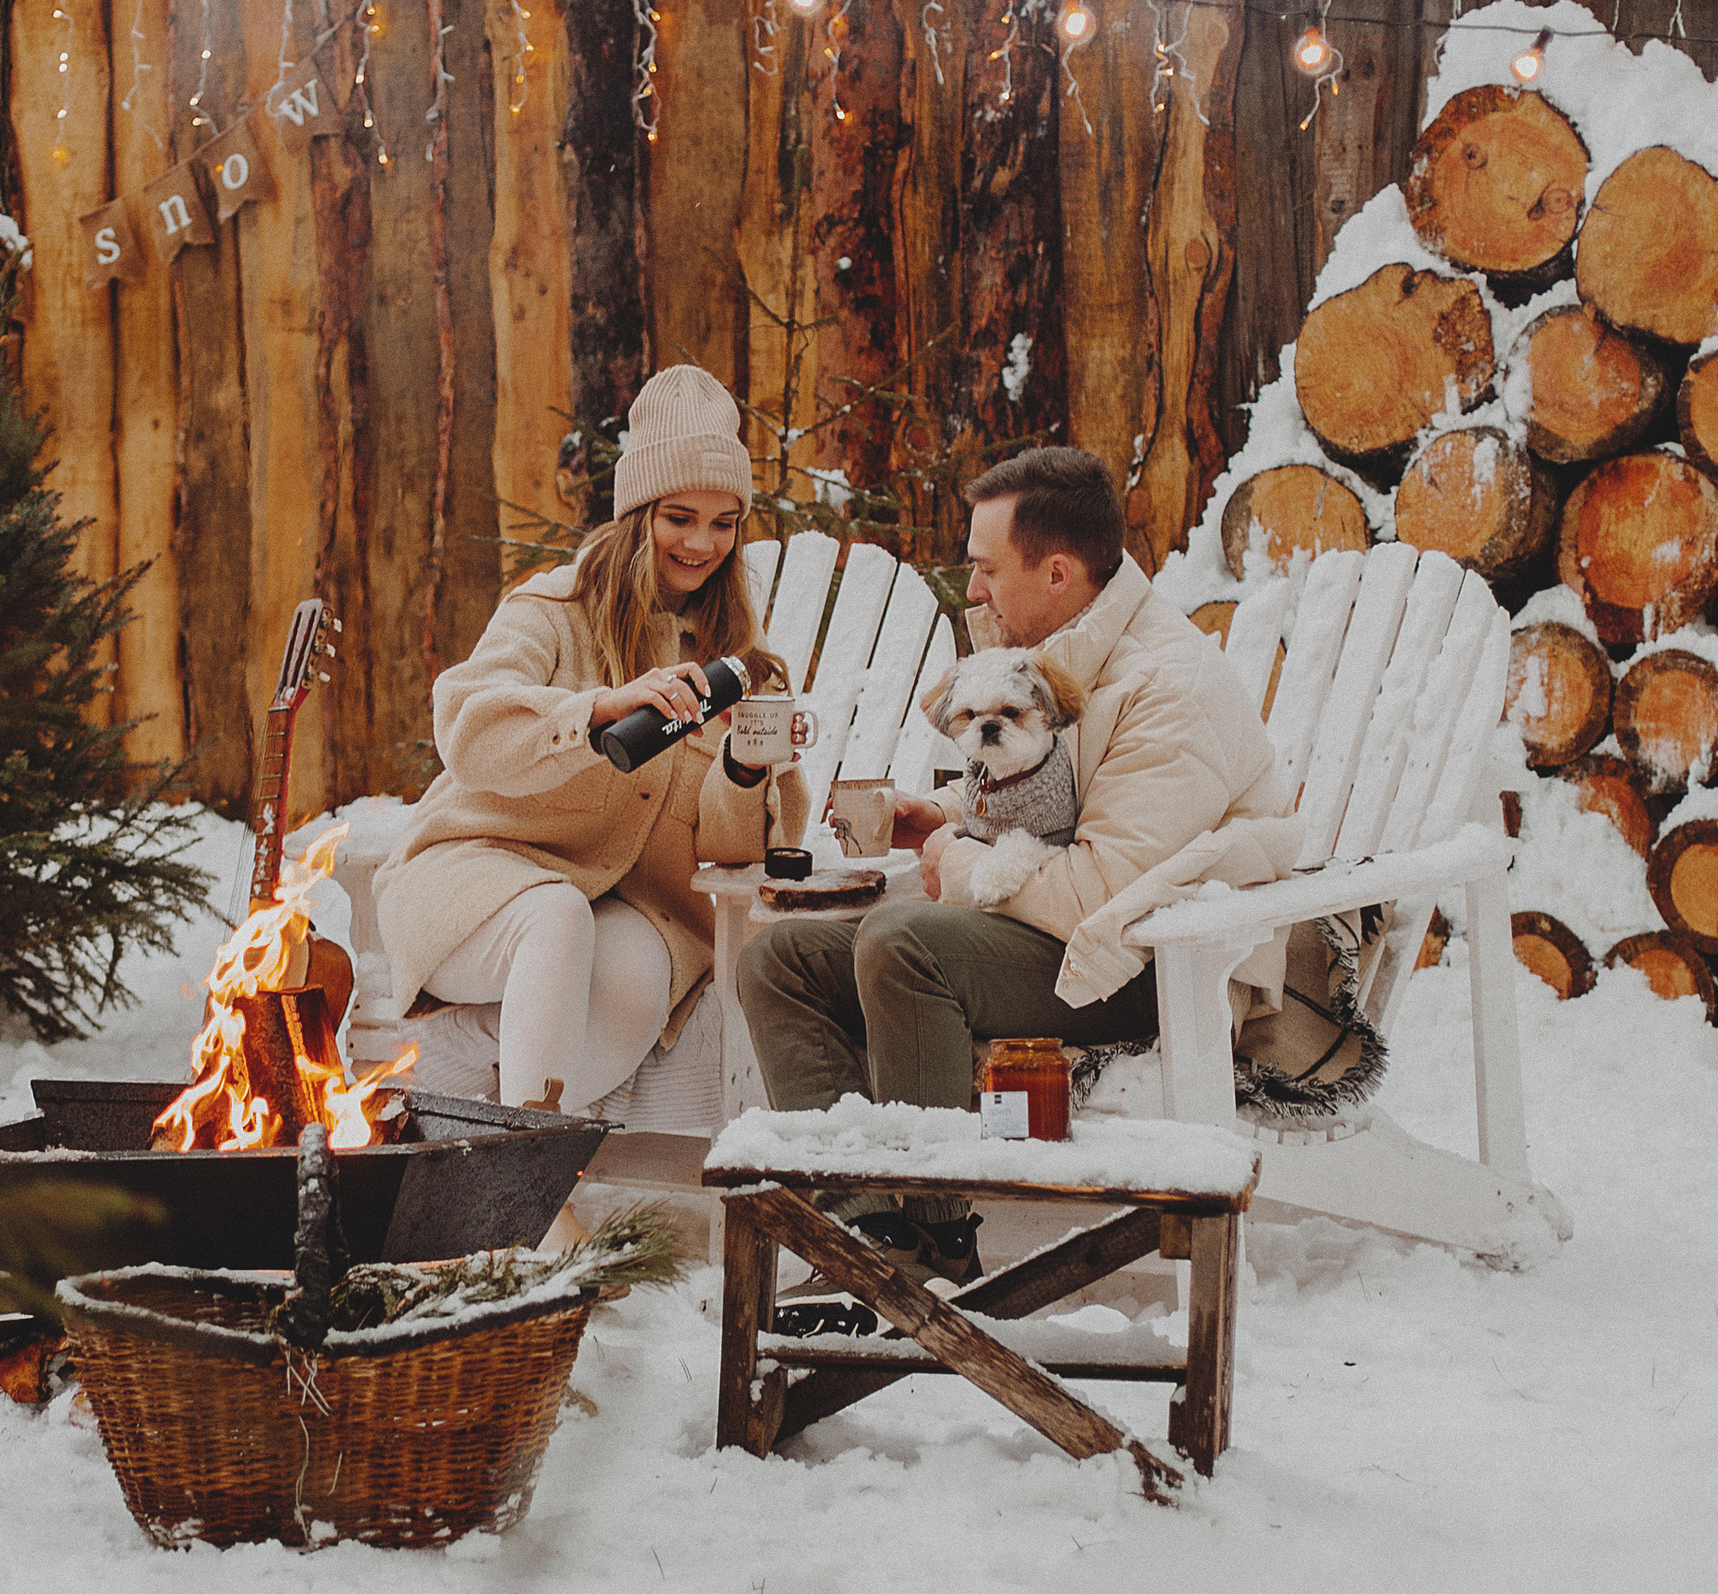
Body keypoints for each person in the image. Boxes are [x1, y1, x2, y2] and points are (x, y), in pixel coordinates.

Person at [738, 443, 1300, 1267]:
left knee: (904, 945)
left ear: (1060, 574)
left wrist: (955, 860)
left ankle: (934, 1240)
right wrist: (945, 811)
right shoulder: (1070, 658)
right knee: (779, 959)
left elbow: (1102, 890)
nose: (974, 590)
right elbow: (1056, 797)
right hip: (1063, 941)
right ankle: (862, 1234)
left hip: (1149, 968)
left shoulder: (1167, 688)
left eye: (988, 569)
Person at [376, 363, 810, 1111]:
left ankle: (497, 1094)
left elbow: (737, 854)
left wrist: (743, 769)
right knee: (556, 914)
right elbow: (467, 726)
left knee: (594, 1042)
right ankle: (526, 1210)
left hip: (633, 910)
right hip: (482, 880)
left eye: (723, 522)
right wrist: (598, 710)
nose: (702, 544)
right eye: (680, 517)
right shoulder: (552, 609)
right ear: (640, 512)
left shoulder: (739, 660)